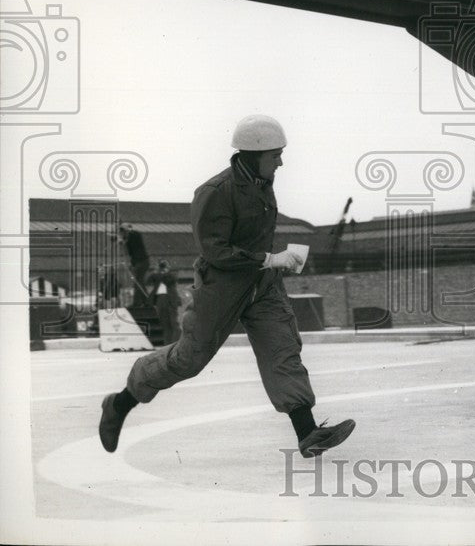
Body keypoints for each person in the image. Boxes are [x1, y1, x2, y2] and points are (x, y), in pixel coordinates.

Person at [99, 115, 355, 458]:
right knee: (188, 359)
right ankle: (120, 402)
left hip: (262, 287)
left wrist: (279, 261)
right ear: (253, 154)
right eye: (275, 155)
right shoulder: (214, 193)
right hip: (221, 288)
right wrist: (269, 258)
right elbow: (214, 250)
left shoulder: (263, 182)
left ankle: (307, 432)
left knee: (282, 350)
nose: (281, 161)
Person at [148, 259, 182, 345]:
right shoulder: (157, 276)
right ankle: (168, 344)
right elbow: (148, 280)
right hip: (160, 299)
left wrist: (162, 272)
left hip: (170, 299)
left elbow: (169, 280)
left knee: (174, 323)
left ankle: (176, 343)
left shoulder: (171, 275)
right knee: (165, 324)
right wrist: (157, 272)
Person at [118, 223, 150, 306]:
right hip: (138, 262)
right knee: (140, 282)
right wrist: (122, 241)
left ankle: (138, 303)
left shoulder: (135, 235)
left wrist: (123, 238)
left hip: (142, 262)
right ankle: (146, 301)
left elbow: (132, 236)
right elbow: (128, 250)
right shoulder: (129, 239)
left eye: (123, 231)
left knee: (138, 283)